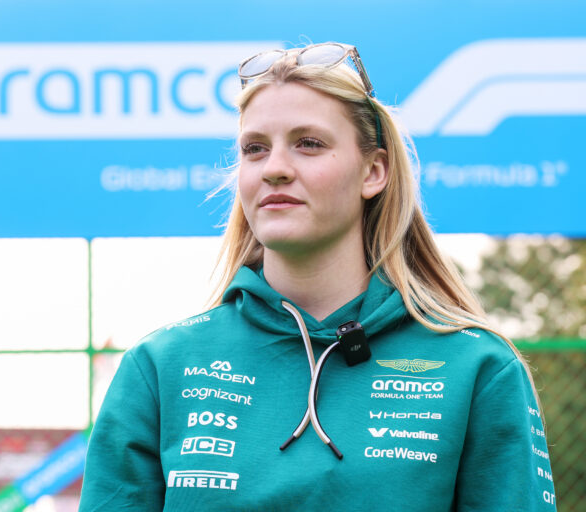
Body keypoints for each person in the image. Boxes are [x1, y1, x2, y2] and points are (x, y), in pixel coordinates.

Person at [78, 42, 556, 511]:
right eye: (255, 149)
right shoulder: (160, 366)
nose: (275, 169)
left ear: (373, 172)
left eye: (308, 144)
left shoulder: (478, 368)